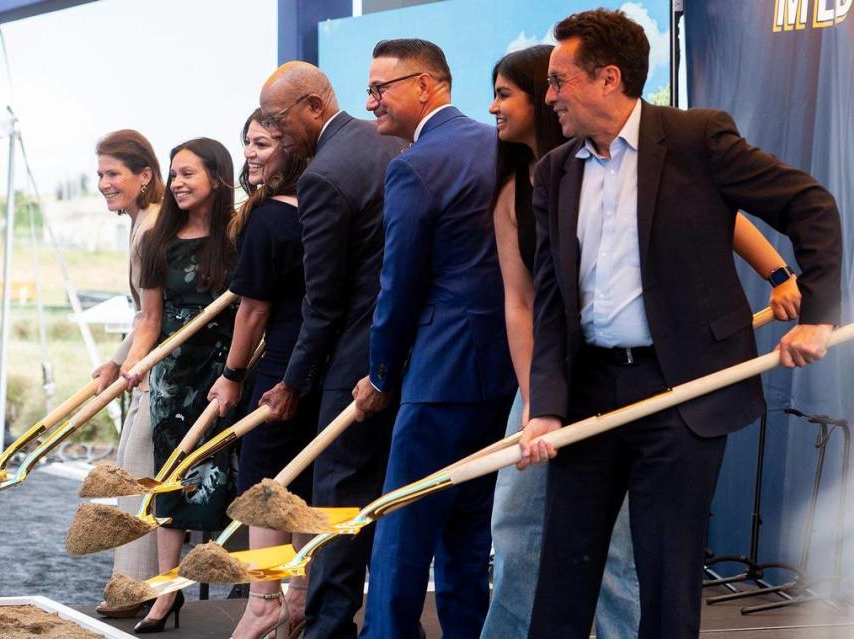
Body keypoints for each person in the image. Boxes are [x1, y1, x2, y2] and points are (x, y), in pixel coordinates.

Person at [517, 9, 840, 638]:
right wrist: (548, 406)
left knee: (666, 577)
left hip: (682, 390)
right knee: (563, 569)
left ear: (608, 78)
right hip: (589, 394)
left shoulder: (697, 139)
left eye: (560, 81)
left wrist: (818, 315)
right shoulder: (556, 171)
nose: (548, 95)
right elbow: (552, 299)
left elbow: (810, 204)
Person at [352, 39, 515, 639]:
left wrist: (381, 375)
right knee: (470, 527)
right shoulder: (500, 147)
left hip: (440, 373)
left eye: (379, 89)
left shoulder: (414, 167)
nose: (370, 102)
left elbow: (398, 288)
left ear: (426, 86)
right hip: (503, 374)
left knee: (402, 524)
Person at [258, 62, 406, 639]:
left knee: (339, 496)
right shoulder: (390, 142)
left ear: (314, 107)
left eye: (277, 118)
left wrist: (293, 382)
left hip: (355, 360)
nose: (273, 131)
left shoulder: (324, 175)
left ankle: (326, 627)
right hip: (415, 352)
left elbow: (323, 302)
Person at [207, 110, 316, 639]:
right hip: (324, 360)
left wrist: (231, 375)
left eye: (265, 143)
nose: (251, 153)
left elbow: (253, 311)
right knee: (307, 480)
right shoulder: (322, 206)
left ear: (291, 150)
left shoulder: (270, 217)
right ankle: (298, 594)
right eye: (247, 142)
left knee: (265, 483)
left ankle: (263, 600)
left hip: (282, 362)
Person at [129, 138, 239, 634]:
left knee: (232, 474)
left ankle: (255, 589)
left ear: (217, 178)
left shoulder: (238, 237)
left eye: (187, 173)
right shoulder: (158, 243)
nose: (176, 183)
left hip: (229, 372)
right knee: (169, 480)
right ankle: (165, 594)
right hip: (174, 376)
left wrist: (235, 371)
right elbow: (149, 320)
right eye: (174, 174)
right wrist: (136, 369)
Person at [91, 129, 164, 618]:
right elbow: (142, 315)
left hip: (162, 365)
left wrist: (131, 365)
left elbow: (153, 317)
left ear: (144, 175)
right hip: (146, 357)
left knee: (136, 472)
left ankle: (135, 588)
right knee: (131, 470)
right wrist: (116, 361)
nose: (103, 183)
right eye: (99, 174)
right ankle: (137, 585)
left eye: (113, 173)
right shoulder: (140, 221)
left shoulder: (151, 226)